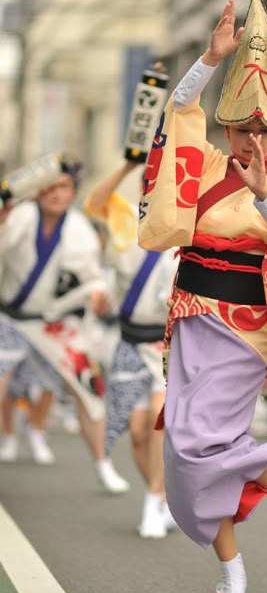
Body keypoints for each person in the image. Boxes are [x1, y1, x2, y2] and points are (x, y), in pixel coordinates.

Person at [138, 0, 267, 593]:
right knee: (186, 454)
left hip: (246, 330)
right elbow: (179, 115)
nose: (251, 136)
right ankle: (232, 574)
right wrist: (210, 59)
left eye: (263, 128)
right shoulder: (209, 163)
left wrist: (263, 198)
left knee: (201, 445)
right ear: (226, 128)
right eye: (240, 126)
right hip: (191, 317)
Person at [0, 158, 129, 493]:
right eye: (52, 187)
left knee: (89, 387)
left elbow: (92, 279)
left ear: (73, 190)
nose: (57, 194)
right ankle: (10, 437)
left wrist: (99, 295)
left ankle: (103, 464)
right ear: (40, 190)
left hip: (52, 322)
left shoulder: (80, 231)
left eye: (64, 187)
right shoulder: (20, 216)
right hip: (10, 316)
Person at [85, 161, 179, 538]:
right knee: (138, 433)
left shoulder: (186, 235)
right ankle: (164, 499)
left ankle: (153, 503)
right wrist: (127, 165)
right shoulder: (127, 229)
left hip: (166, 343)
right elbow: (95, 205)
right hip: (129, 341)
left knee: (159, 418)